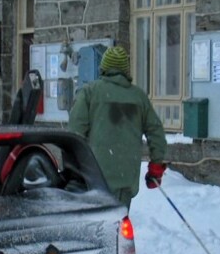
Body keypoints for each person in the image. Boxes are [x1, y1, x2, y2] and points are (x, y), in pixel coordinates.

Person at [68, 45, 168, 208]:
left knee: (97, 227)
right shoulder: (139, 96)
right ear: (126, 70)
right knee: (120, 223)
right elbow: (156, 132)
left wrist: (73, 168)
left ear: (104, 68)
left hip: (96, 174)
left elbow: (75, 132)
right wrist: (156, 166)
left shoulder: (90, 92)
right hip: (127, 176)